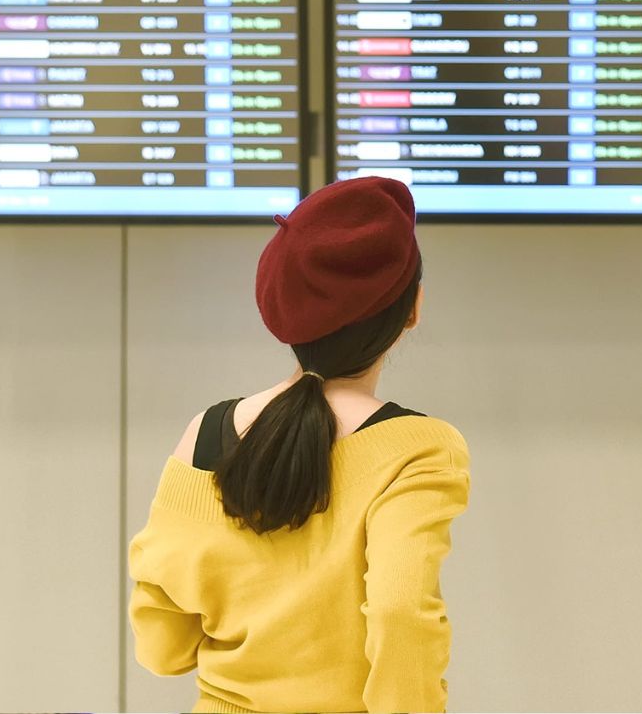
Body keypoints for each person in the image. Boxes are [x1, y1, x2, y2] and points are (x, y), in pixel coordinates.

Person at [128, 177, 471, 714]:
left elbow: (161, 647)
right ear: (412, 309)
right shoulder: (420, 450)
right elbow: (400, 612)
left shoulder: (205, 432)